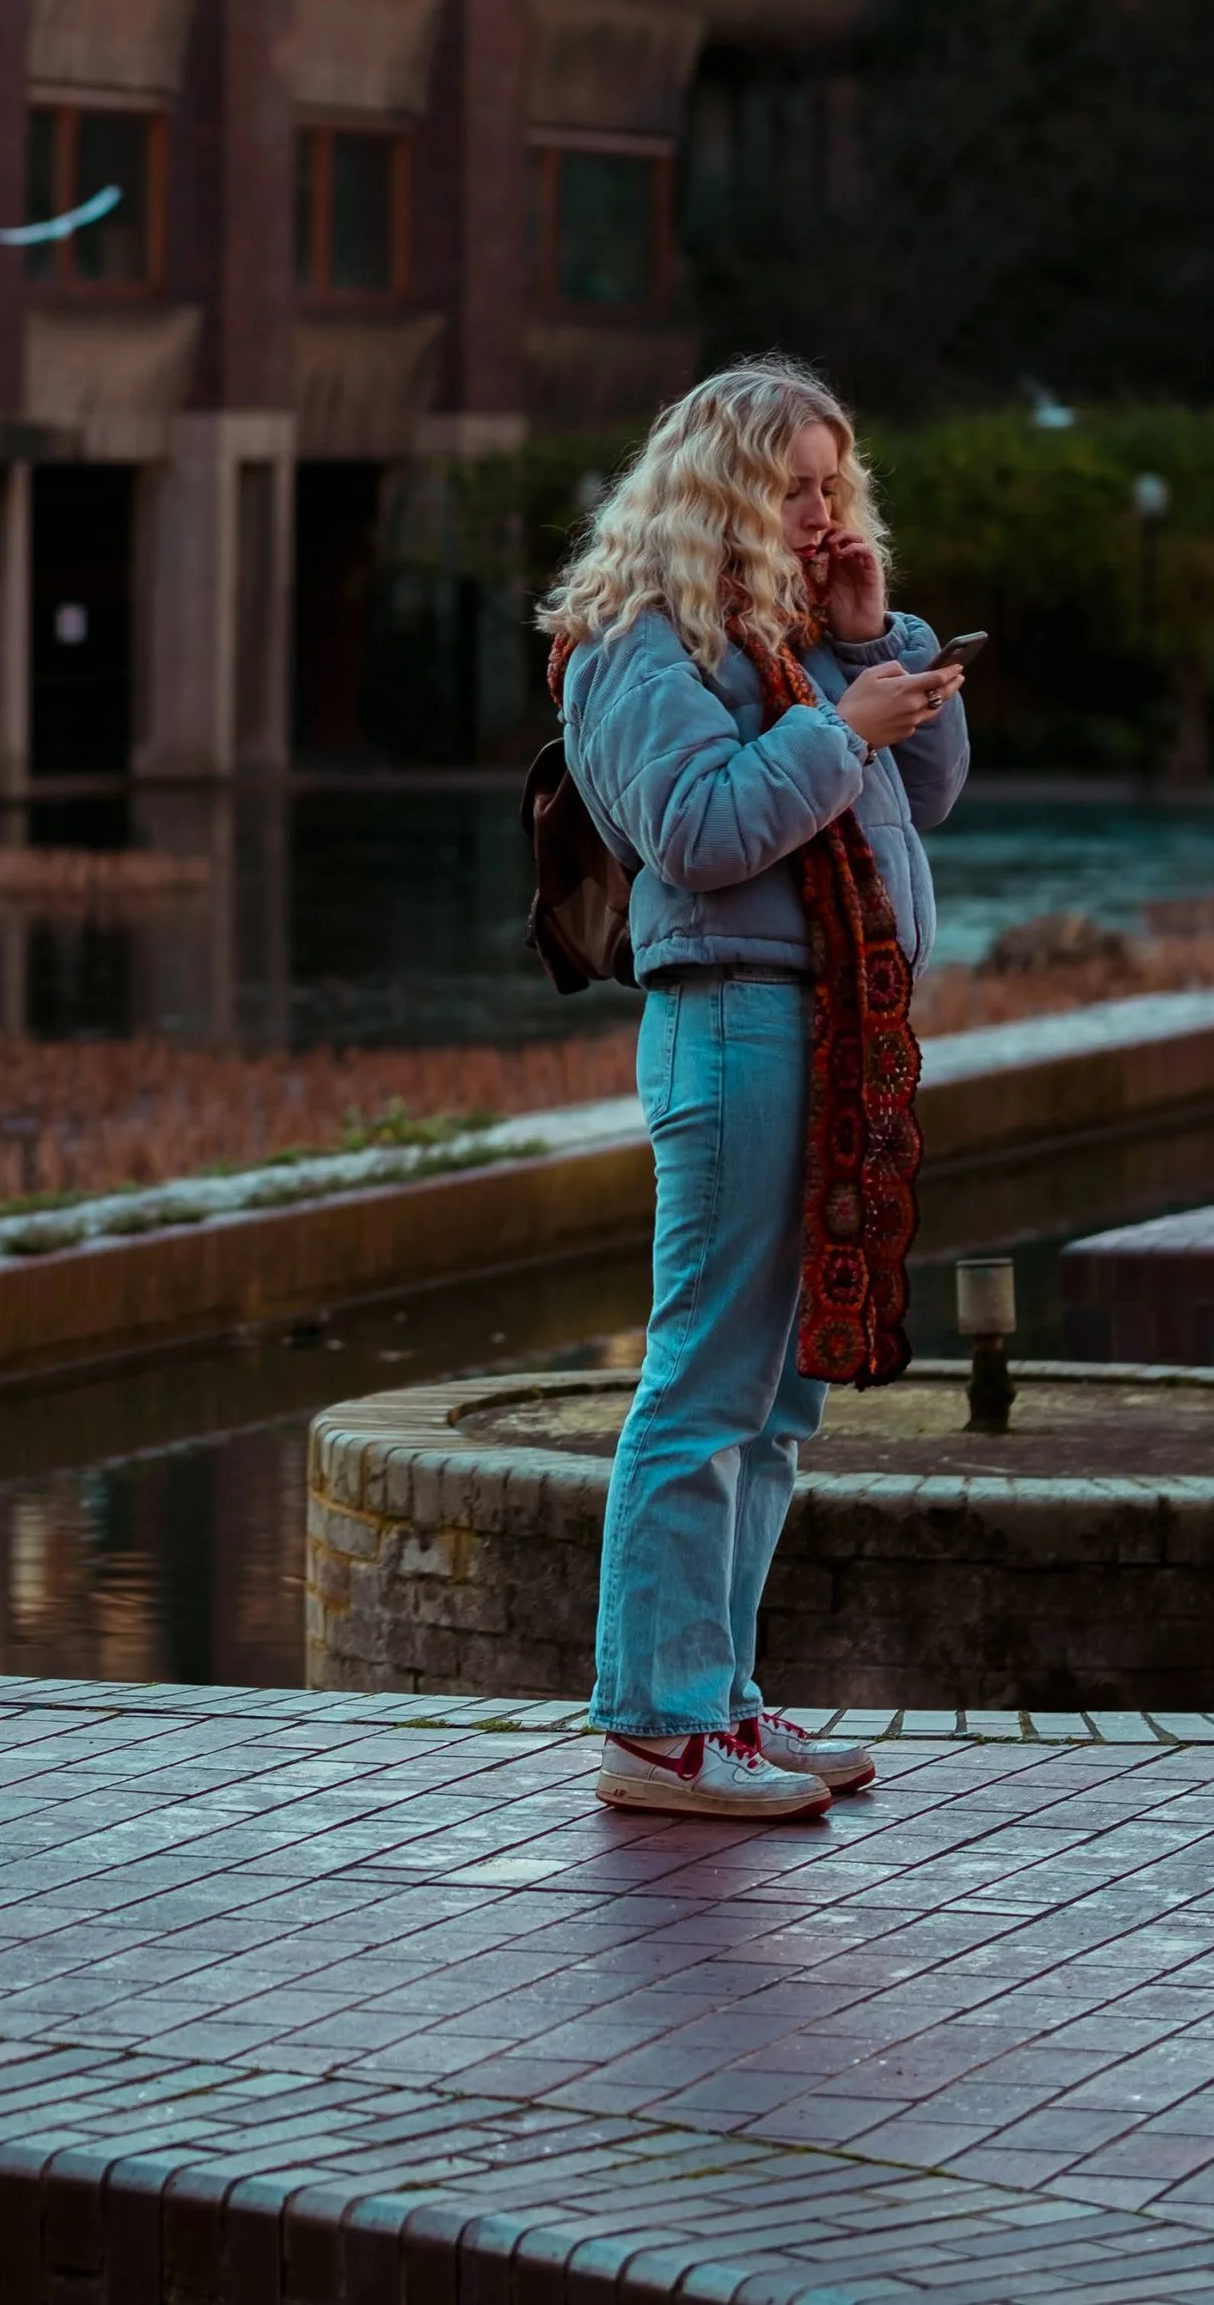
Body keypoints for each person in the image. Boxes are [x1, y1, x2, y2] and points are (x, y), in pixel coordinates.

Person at [540, 357, 967, 1824]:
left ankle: (715, 1694)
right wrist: (842, 726)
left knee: (778, 1400)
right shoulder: (633, 645)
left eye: (833, 484)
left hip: (824, 1030)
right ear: (719, 487)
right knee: (706, 1381)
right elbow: (699, 832)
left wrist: (867, 646)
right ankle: (656, 1727)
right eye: (793, 486)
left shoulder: (786, 641)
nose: (821, 511)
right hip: (733, 1023)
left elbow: (924, 796)